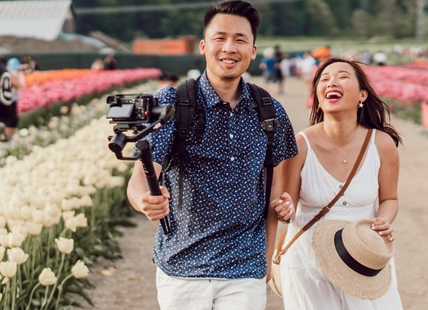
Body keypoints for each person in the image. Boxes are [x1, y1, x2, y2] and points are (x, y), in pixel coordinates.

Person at [126, 1, 297, 309]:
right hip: (182, 267)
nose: (229, 48)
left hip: (244, 268)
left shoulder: (270, 111)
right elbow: (140, 176)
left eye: (240, 40)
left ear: (253, 50)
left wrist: (266, 260)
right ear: (204, 47)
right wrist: (144, 201)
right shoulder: (173, 103)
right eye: (220, 38)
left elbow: (275, 189)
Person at [272, 57, 403, 309]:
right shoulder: (300, 145)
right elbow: (286, 209)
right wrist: (284, 210)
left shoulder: (382, 144)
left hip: (362, 254)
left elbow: (390, 199)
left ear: (362, 94)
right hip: (307, 261)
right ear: (319, 96)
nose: (332, 82)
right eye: (324, 79)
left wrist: (384, 220)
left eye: (343, 76)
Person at [0, 57, 25, 141]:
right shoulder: (4, 71)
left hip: (7, 100)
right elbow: (18, 85)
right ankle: (7, 140)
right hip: (7, 101)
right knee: (10, 122)